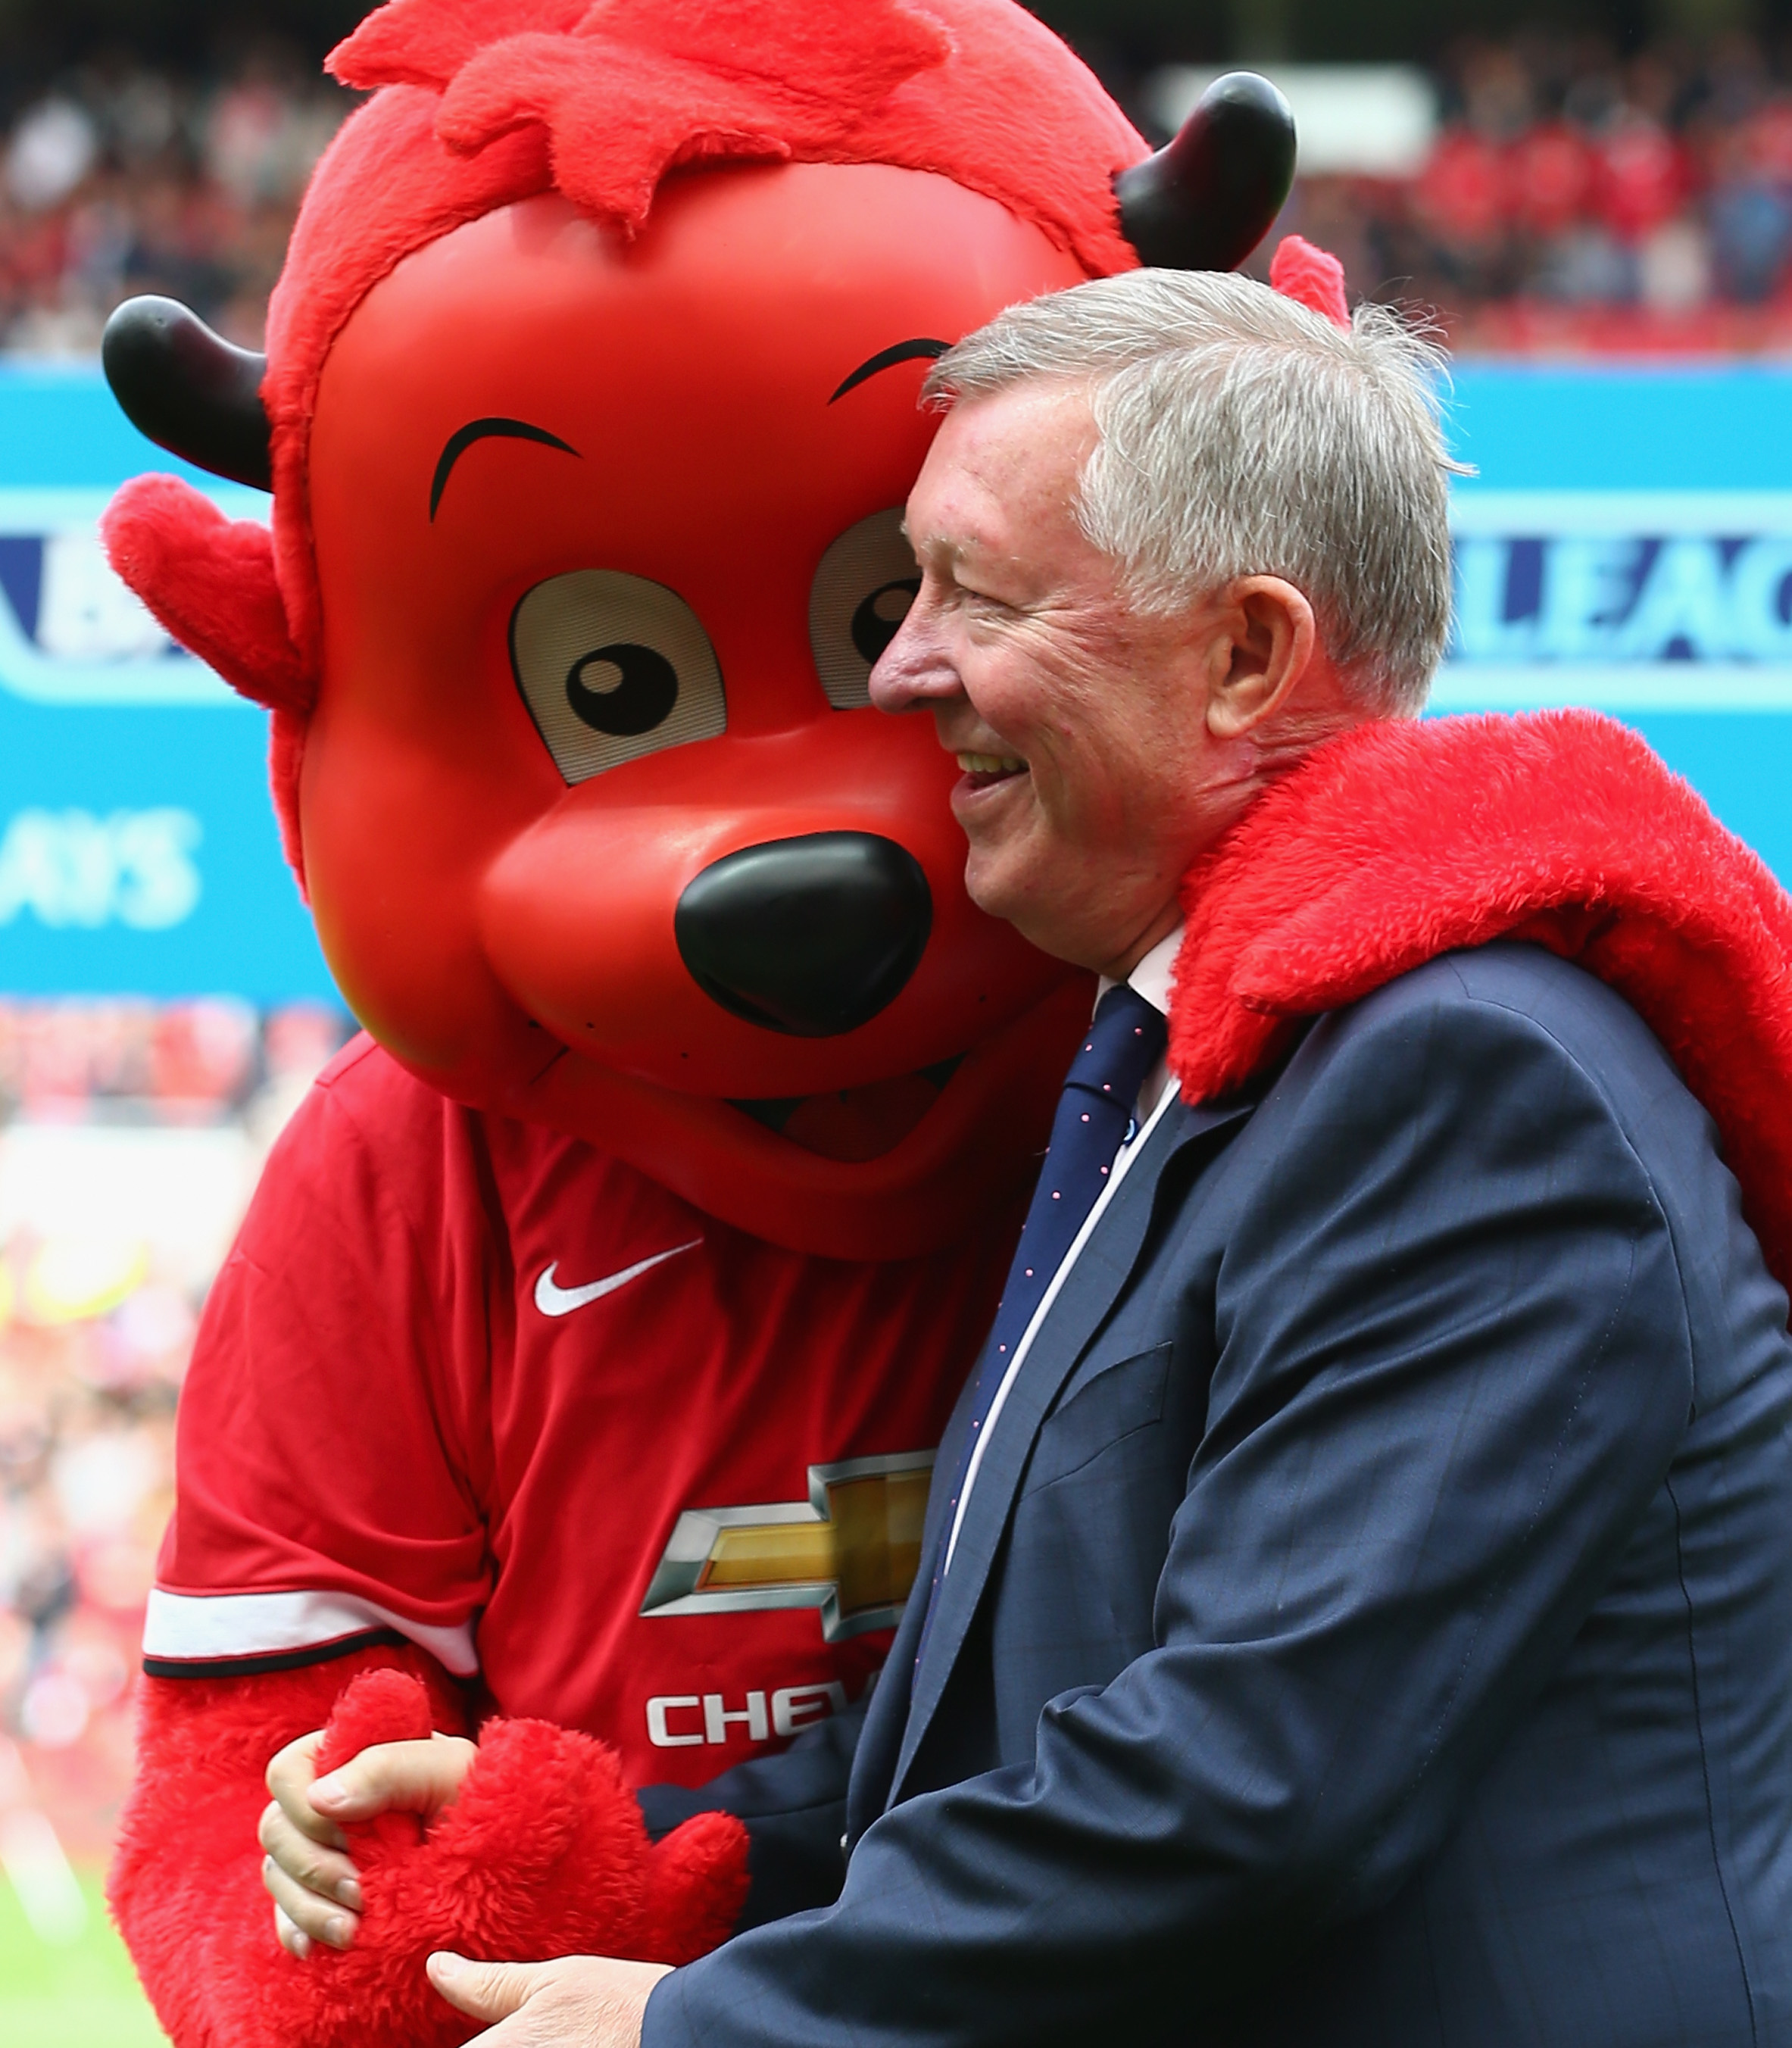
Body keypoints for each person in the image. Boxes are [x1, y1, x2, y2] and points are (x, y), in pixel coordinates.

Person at [265, 264, 1792, 2047]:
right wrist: (617, 1848)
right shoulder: (1215, 1050)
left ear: (1245, 656)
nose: (901, 668)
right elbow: (1023, 1718)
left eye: (972, 595)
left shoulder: (1457, 1079)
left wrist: (691, 2029)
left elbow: (1246, 1787)